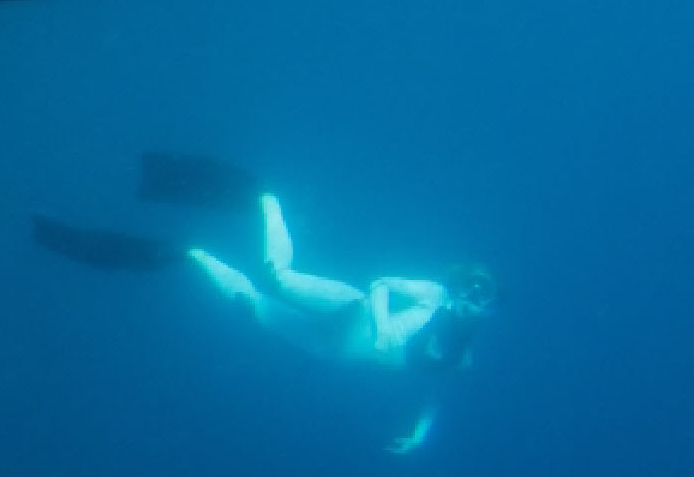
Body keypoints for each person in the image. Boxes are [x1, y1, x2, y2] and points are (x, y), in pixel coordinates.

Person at [34, 154, 500, 454]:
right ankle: (266, 198)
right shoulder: (433, 295)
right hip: (352, 311)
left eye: (482, 299)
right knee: (277, 277)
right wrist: (380, 326)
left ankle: (190, 253)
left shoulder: (463, 357)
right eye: (470, 291)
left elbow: (437, 389)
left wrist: (423, 432)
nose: (471, 302)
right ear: (457, 287)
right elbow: (381, 283)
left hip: (332, 351)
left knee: (248, 302)